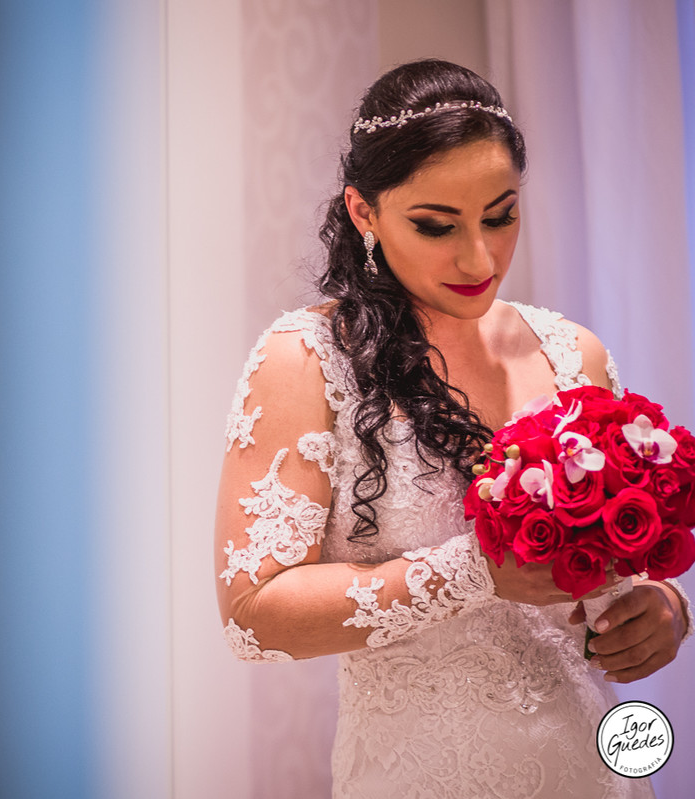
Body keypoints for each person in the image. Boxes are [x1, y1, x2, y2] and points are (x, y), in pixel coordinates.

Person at [214, 59, 691, 798]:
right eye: (436, 226)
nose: (480, 258)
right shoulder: (306, 360)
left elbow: (621, 571)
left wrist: (663, 606)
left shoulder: (574, 353)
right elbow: (254, 614)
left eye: (501, 215)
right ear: (363, 211)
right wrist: (474, 572)